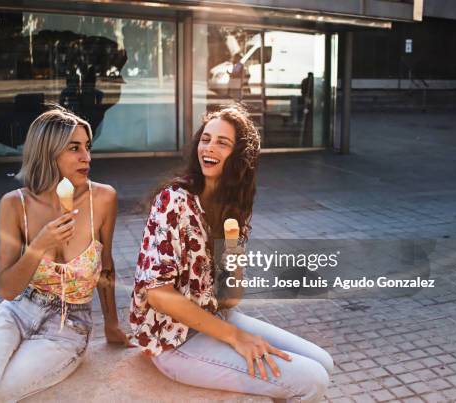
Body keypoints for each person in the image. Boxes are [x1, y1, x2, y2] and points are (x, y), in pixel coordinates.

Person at [129, 104, 333, 403]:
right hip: (173, 339)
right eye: (206, 138)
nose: (208, 147)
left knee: (323, 362)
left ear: (238, 158)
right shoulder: (174, 200)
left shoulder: (231, 205)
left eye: (222, 143)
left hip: (215, 315)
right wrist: (236, 337)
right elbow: (157, 292)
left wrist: (232, 248)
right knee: (310, 381)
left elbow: (229, 298)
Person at [0, 107, 131, 403]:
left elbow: (106, 268)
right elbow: (7, 288)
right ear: (48, 151)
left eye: (88, 147)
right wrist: (39, 245)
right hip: (16, 312)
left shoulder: (103, 198)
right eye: (74, 148)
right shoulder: (14, 205)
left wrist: (111, 325)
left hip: (68, 328)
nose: (87, 158)